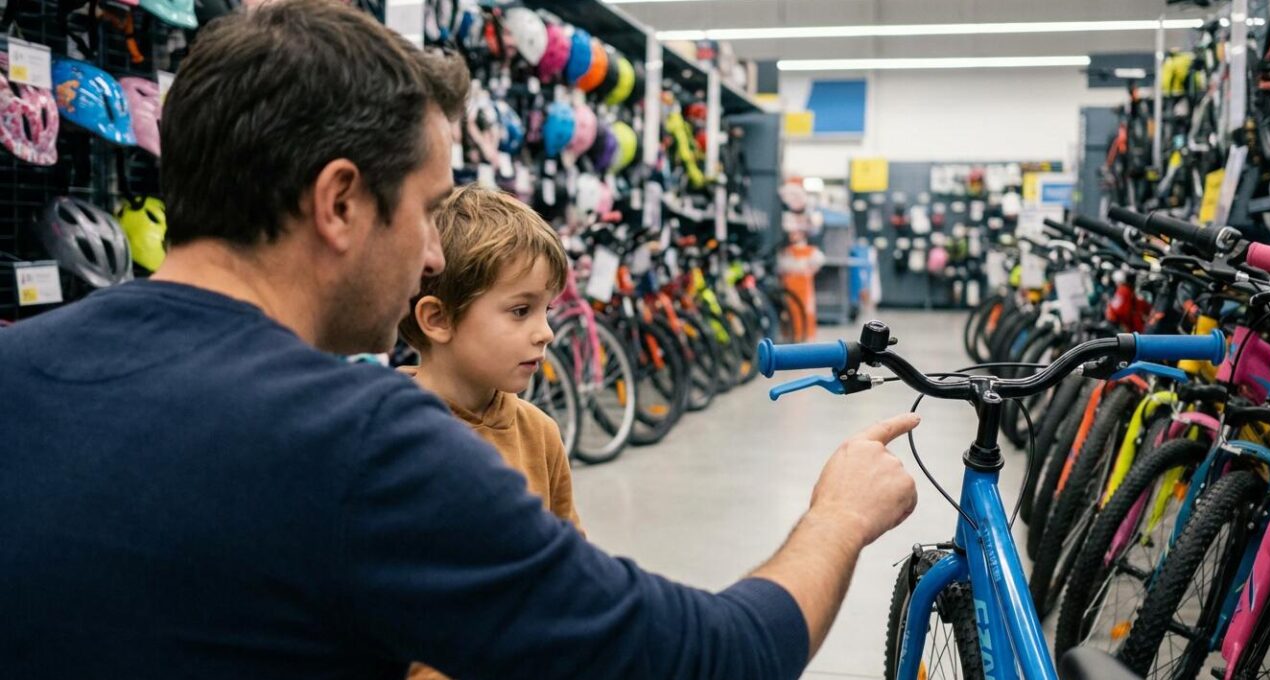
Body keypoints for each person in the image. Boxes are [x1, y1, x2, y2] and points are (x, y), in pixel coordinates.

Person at [0, 1, 919, 678]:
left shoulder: (18, 375)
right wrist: (837, 519)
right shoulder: (361, 442)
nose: (436, 251)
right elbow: (699, 662)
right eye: (431, 210)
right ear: (341, 203)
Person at [397, 185, 582, 680]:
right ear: (437, 319)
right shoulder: (386, 435)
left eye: (545, 309)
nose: (545, 331)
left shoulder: (538, 434)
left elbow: (571, 570)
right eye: (520, 311)